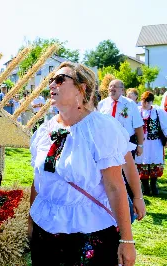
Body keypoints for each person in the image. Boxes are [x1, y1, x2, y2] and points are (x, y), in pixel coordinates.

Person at [29, 62, 136, 266]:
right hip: (45, 232)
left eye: (60, 80)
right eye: (51, 80)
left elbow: (115, 187)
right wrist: (30, 223)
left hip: (89, 234)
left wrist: (127, 240)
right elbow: (38, 181)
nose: (52, 84)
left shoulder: (100, 128)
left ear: (81, 88)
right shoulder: (44, 131)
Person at [98, 79, 144, 157]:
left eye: (115, 86)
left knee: (126, 169)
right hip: (107, 144)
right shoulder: (101, 104)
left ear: (122, 90)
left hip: (126, 144)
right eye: (110, 86)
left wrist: (140, 145)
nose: (111, 88)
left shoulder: (130, 104)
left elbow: (138, 126)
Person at [135, 91, 167, 195]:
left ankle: (154, 185)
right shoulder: (136, 111)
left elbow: (164, 126)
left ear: (152, 102)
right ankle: (145, 187)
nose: (146, 104)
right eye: (144, 101)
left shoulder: (158, 112)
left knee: (154, 162)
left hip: (155, 142)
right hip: (141, 142)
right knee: (142, 162)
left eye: (148, 102)